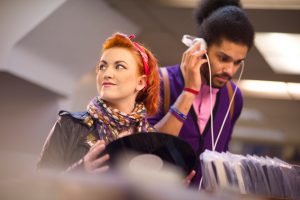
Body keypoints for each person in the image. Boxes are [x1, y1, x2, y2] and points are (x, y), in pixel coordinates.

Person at [148, 0, 255, 186]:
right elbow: (146, 149)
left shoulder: (233, 97)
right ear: (200, 48)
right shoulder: (159, 82)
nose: (229, 70)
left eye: (238, 62)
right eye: (223, 58)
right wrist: (189, 91)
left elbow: (221, 153)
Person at [37, 32, 160, 173]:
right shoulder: (69, 124)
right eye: (102, 66)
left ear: (140, 82)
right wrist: (81, 170)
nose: (107, 74)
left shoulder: (152, 140)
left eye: (119, 66)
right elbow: (41, 185)